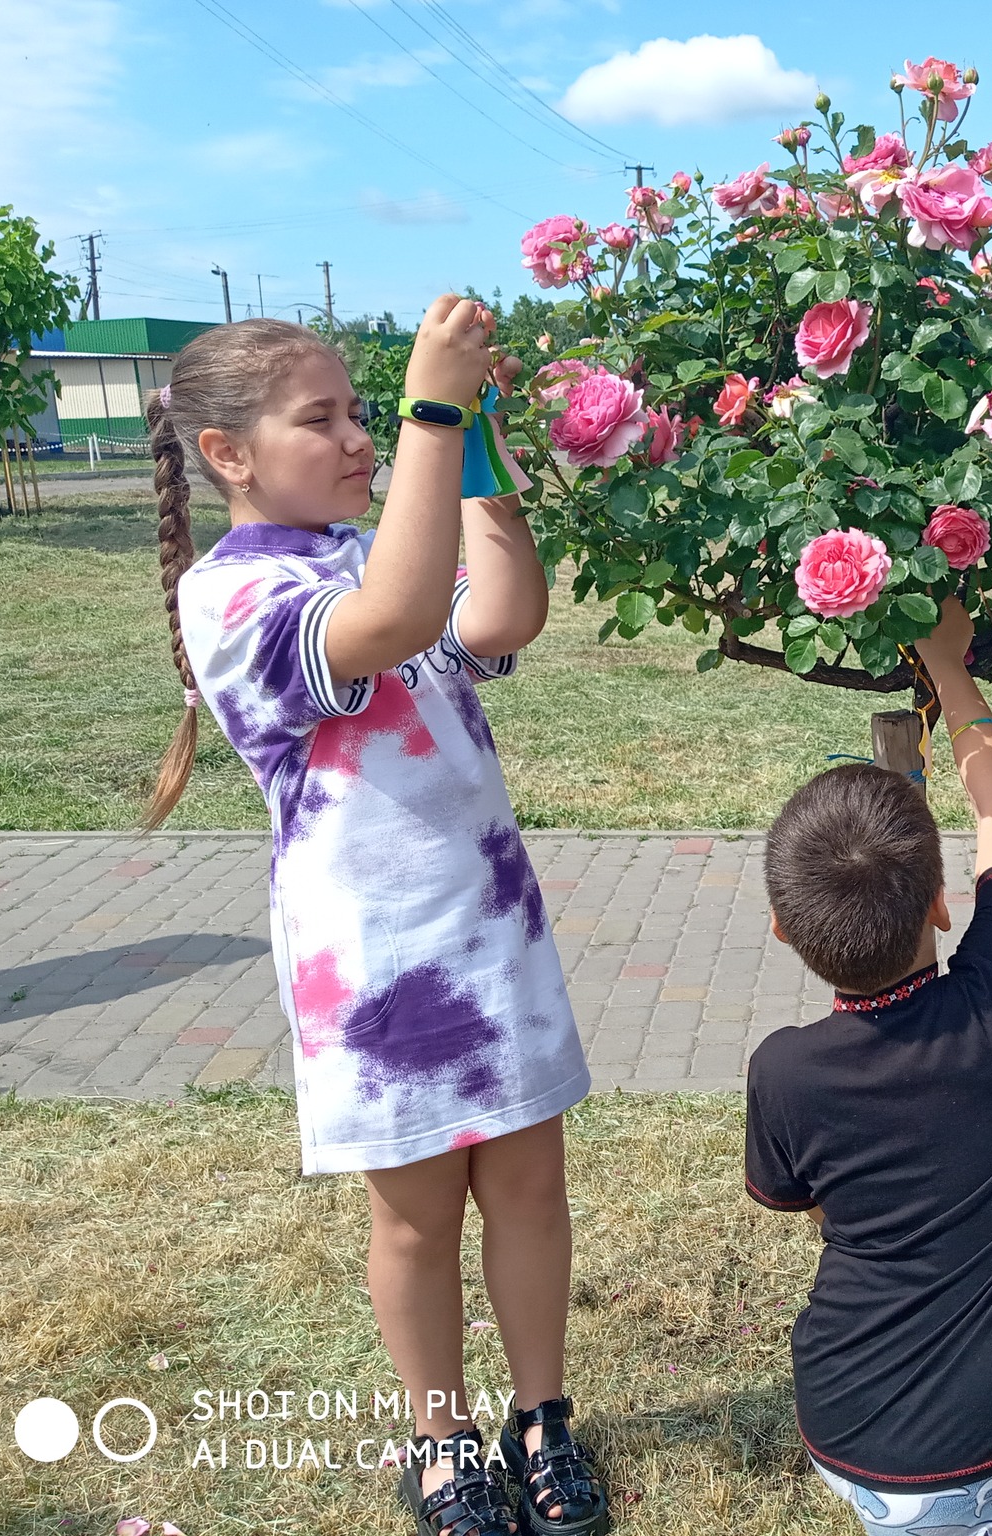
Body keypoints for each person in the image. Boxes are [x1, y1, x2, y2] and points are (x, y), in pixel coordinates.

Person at [145, 306, 611, 1536]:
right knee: (415, 1221)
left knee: (531, 1188)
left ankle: (542, 1420)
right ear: (226, 454)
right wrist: (428, 416)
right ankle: (440, 1437)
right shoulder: (233, 594)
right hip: (376, 966)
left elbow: (497, 617)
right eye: (324, 419)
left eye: (363, 413)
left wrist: (476, 448)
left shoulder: (369, 549)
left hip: (490, 935)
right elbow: (398, 621)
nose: (358, 438)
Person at [744, 597, 992, 1536]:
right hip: (975, 1440)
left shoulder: (784, 1072)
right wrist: (949, 664)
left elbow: (808, 1205)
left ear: (781, 930)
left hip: (845, 1405)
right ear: (941, 903)